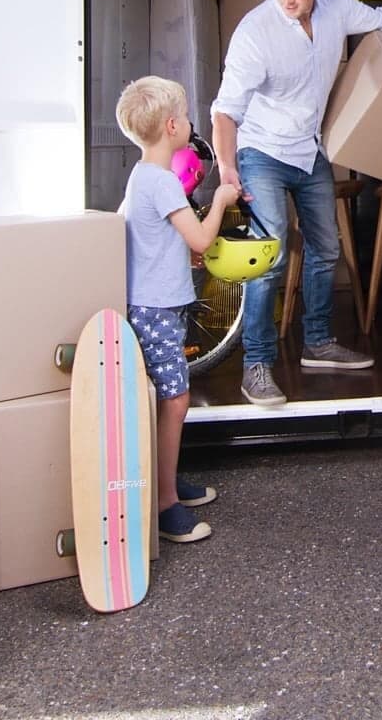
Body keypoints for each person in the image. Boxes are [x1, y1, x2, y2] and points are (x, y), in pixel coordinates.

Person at [212, 0, 382, 406]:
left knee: (326, 248)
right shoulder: (255, 32)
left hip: (309, 150)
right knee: (268, 258)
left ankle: (317, 342)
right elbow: (225, 112)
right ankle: (257, 365)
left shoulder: (337, 6)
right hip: (262, 152)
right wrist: (227, 168)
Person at [116, 75, 241, 543]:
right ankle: (165, 504)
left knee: (167, 397)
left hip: (151, 305)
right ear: (172, 126)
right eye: (186, 117)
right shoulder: (165, 182)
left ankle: (165, 482)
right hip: (159, 309)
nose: (190, 124)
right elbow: (202, 239)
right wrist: (221, 199)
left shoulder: (142, 178)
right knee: (175, 400)